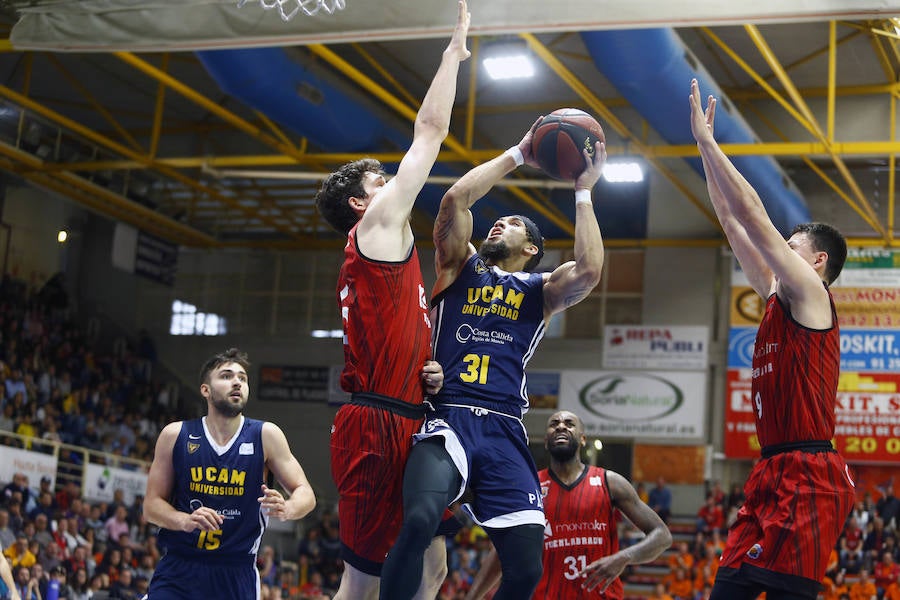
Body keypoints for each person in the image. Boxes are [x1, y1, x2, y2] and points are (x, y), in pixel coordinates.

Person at [378, 119, 607, 600]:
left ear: (532, 250)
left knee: (524, 571)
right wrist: (519, 152)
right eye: (498, 220)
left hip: (504, 427)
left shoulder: (540, 290)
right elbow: (455, 201)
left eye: (515, 224)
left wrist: (583, 191)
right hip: (448, 416)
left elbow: (588, 270)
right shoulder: (458, 266)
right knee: (419, 519)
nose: (499, 222)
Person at [313, 3, 470, 599]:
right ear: (361, 203)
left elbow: (395, 332)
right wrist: (452, 56)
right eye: (380, 181)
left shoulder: (381, 253)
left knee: (432, 564)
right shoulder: (377, 225)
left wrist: (421, 367)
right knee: (363, 582)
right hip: (378, 424)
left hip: (404, 411)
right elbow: (429, 132)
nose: (392, 185)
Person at [689, 78, 856, 599]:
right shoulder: (776, 297)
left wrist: (715, 147)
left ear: (817, 261)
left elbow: (755, 216)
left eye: (791, 246)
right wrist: (702, 152)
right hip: (769, 471)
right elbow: (733, 222)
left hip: (809, 475)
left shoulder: (810, 293)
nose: (779, 251)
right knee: (726, 590)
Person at [143, 348, 316, 599]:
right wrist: (184, 520)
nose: (237, 382)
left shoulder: (266, 435)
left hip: (236, 572)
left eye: (242, 378)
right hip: (180, 569)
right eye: (226, 376)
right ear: (206, 390)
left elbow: (306, 494)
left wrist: (288, 508)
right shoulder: (175, 435)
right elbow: (151, 506)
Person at [464, 410, 672, 599]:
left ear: (582, 439)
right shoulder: (528, 488)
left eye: (569, 424)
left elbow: (662, 535)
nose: (561, 426)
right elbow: (503, 552)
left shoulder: (610, 483)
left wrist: (624, 557)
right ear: (546, 441)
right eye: (554, 424)